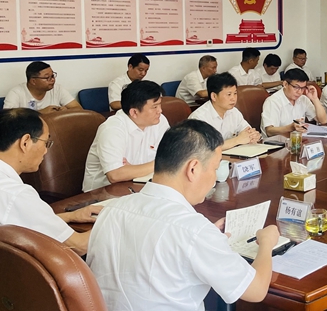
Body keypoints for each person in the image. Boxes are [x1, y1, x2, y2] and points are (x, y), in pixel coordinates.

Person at [87, 119, 279, 310]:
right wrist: (266, 243)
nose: (214, 178)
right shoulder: (194, 231)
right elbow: (256, 290)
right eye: (214, 168)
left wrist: (205, 238)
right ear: (193, 169)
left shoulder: (112, 210)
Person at [0, 108, 100, 255]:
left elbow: (23, 220)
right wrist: (115, 219)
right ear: (25, 142)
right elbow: (78, 246)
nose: (46, 151)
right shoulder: (16, 194)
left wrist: (70, 216)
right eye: (46, 142)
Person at [83, 80, 170, 192]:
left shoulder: (159, 121)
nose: (160, 111)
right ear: (134, 112)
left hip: (141, 185)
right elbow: (115, 175)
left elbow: (171, 155)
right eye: (154, 107)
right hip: (102, 193)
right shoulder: (113, 129)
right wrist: (160, 164)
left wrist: (131, 170)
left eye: (159, 105)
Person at [189, 72, 261, 150]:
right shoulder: (198, 118)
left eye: (235, 93)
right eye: (229, 94)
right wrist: (237, 140)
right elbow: (205, 149)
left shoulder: (234, 112)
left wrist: (253, 136)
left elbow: (247, 132)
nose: (233, 98)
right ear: (214, 96)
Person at [261, 69, 327, 137]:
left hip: (297, 140)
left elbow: (323, 121)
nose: (300, 92)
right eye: (296, 87)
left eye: (303, 88)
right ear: (285, 84)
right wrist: (290, 128)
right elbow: (269, 131)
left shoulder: (303, 99)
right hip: (275, 142)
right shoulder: (273, 101)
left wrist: (315, 99)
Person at [3, 61, 81, 113]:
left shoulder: (57, 89)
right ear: (33, 81)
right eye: (47, 77)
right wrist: (41, 113)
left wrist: (65, 111)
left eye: (52, 76)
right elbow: (8, 119)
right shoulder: (16, 93)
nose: (52, 80)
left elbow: (78, 109)